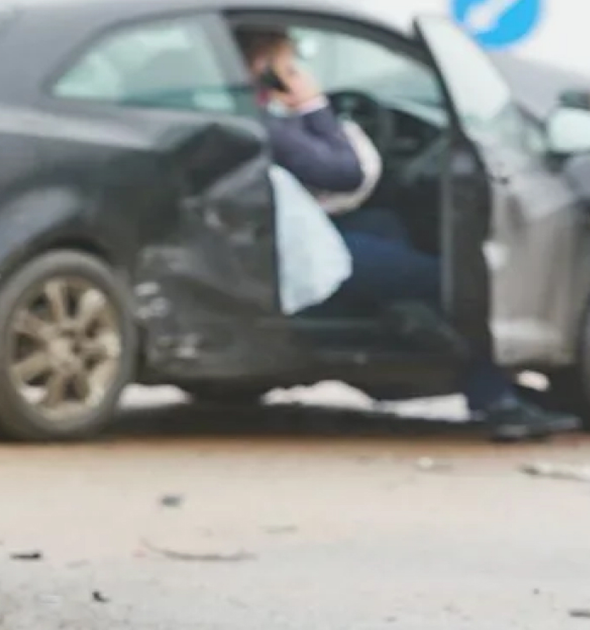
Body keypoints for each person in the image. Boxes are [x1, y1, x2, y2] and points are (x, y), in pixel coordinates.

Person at [234, 25, 580, 441]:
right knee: (453, 281)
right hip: (290, 250)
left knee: (387, 225)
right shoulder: (261, 121)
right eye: (288, 64)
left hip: (283, 232)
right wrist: (312, 104)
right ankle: (493, 398)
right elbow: (343, 172)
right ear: (261, 65)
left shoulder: (248, 112)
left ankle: (405, 323)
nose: (297, 72)